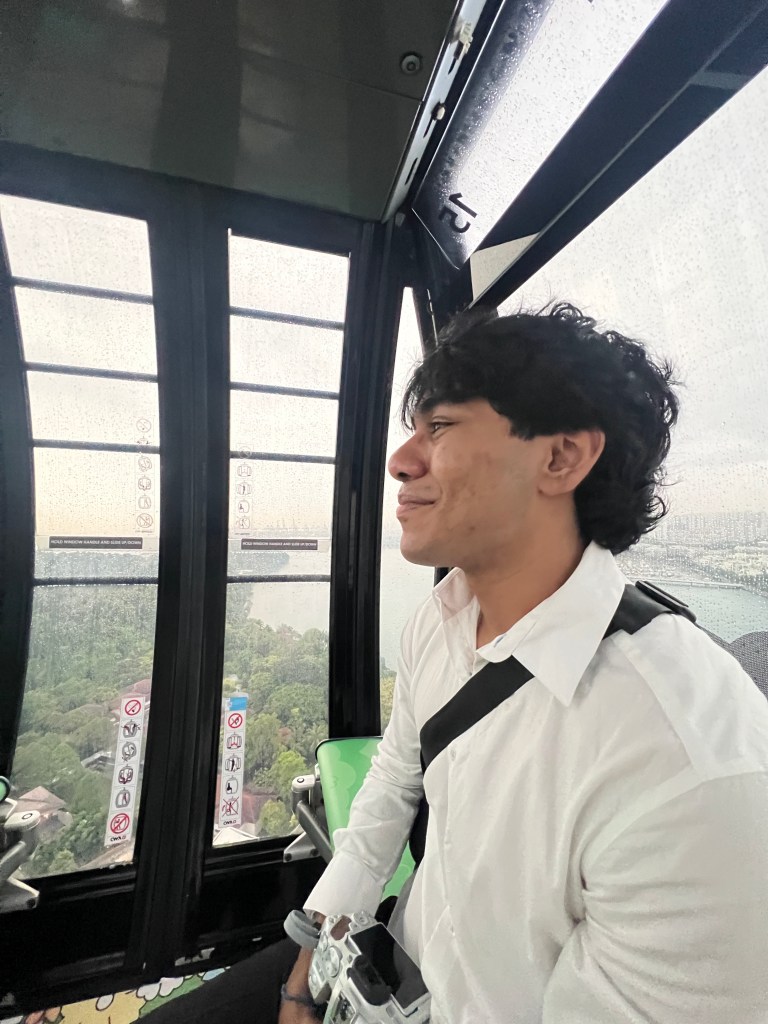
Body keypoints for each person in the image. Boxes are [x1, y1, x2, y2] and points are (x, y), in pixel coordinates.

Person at [149, 303, 768, 1022]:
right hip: (384, 963)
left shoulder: (687, 764)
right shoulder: (440, 625)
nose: (400, 461)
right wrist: (310, 965)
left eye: (439, 427)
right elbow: (392, 784)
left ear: (561, 458)